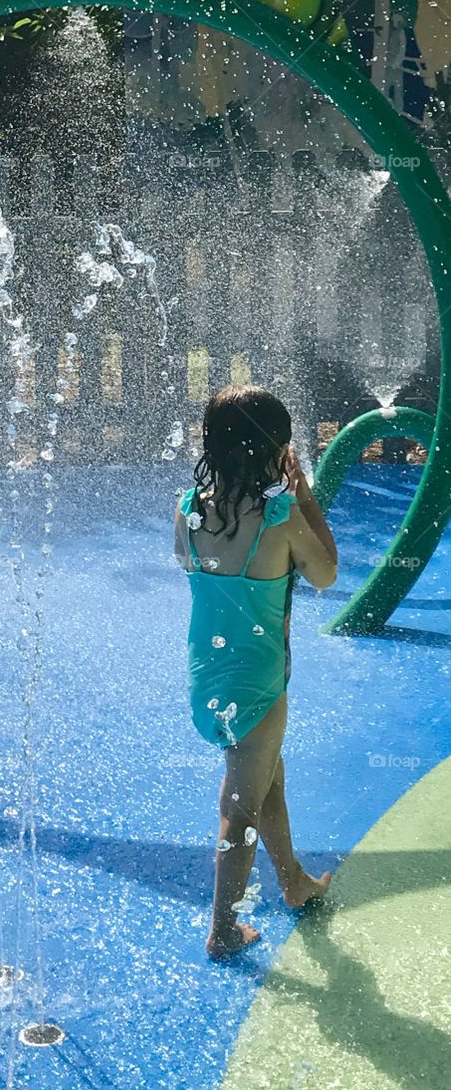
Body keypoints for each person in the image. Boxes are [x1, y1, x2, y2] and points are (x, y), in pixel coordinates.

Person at [173, 385, 338, 959]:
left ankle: (292, 881)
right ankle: (223, 929)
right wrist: (303, 493)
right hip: (261, 679)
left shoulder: (189, 507)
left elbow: (186, 563)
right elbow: (327, 575)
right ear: (278, 449)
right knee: (238, 807)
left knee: (266, 778)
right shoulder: (281, 516)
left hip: (208, 673)